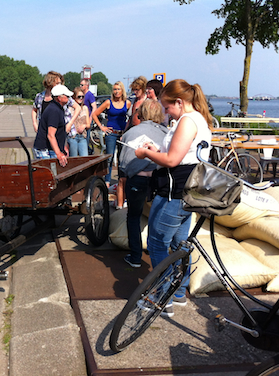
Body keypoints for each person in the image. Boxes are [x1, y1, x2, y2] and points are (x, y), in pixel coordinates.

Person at [134, 79, 212, 317]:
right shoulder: (199, 119)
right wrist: (159, 152)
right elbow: (178, 154)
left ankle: (162, 295)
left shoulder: (188, 121)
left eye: (168, 107)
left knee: (158, 242)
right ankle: (178, 292)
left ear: (179, 102)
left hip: (174, 192)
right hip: (186, 192)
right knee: (180, 244)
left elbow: (172, 161)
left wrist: (145, 153)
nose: (166, 112)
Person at [118, 99, 168, 268]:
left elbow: (123, 164)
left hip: (137, 179)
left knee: (133, 216)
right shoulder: (166, 134)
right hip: (160, 179)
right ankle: (160, 255)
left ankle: (135, 256)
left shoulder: (131, 133)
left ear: (140, 113)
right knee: (160, 218)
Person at [91, 81, 131, 208]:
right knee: (109, 157)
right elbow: (95, 114)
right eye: (114, 89)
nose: (116, 91)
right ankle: (107, 182)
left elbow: (131, 117)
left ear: (122, 90)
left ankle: (120, 183)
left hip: (122, 134)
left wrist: (127, 129)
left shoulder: (127, 103)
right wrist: (102, 127)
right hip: (111, 133)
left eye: (118, 89)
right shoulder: (108, 102)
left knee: (122, 159)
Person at [33, 84, 73, 167]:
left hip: (51, 148)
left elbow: (59, 132)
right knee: (48, 176)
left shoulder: (57, 108)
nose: (69, 98)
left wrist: (62, 147)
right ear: (59, 98)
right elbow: (51, 135)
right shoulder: (54, 110)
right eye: (67, 96)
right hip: (44, 149)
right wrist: (58, 153)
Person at [67, 87, 90, 157]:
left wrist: (84, 126)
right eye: (79, 96)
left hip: (82, 136)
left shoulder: (85, 108)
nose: (81, 98)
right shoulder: (69, 108)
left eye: (82, 97)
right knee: (74, 159)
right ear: (74, 97)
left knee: (85, 158)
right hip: (72, 137)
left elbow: (88, 124)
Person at [80, 79, 97, 155]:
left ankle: (89, 152)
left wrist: (90, 118)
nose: (80, 86)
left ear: (87, 86)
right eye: (80, 85)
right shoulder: (81, 95)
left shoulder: (89, 95)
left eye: (82, 85)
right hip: (81, 120)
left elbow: (94, 107)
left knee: (85, 139)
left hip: (87, 120)